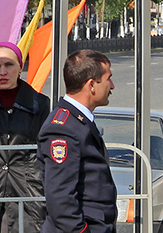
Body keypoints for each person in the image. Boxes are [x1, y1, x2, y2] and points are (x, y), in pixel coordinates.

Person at [37, 49, 117, 232]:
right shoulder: (62, 128)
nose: (112, 86)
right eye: (108, 78)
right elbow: (60, 197)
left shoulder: (77, 121)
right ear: (91, 85)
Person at [0, 42, 49, 232]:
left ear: (20, 67)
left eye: (9, 65)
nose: (2, 72)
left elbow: (46, 153)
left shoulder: (40, 105)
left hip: (28, 196)